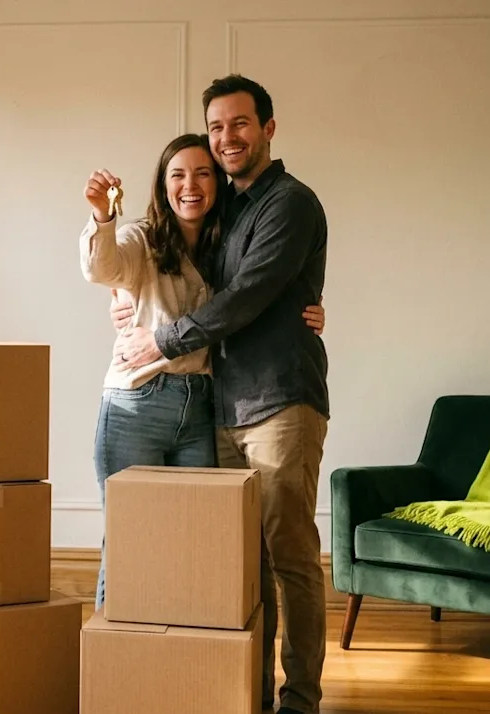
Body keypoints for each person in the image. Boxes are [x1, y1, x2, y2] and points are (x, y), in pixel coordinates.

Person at [111, 75, 330, 714]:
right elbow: (170, 263)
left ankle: (300, 700)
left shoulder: (291, 203)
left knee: (290, 559)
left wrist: (161, 341)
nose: (227, 137)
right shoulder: (223, 208)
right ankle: (249, 694)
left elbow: (247, 295)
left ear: (268, 128)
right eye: (216, 127)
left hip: (281, 403)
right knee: (244, 564)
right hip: (223, 406)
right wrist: (123, 297)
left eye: (240, 124)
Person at [79, 132, 325, 613]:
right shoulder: (142, 238)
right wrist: (103, 218)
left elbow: (252, 294)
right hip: (137, 406)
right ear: (162, 185)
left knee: (193, 541)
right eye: (177, 175)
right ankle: (116, 651)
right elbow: (103, 268)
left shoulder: (226, 247)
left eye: (202, 173)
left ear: (218, 184)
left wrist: (308, 307)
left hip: (202, 411)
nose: (189, 185)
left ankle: (178, 650)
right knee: (128, 542)